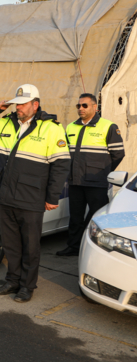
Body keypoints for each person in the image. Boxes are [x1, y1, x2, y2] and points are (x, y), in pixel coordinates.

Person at [0, 84, 70, 303]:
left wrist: (52, 197)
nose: (17, 107)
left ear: (35, 105)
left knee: (30, 246)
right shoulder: (5, 123)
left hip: (32, 197)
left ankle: (27, 286)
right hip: (6, 195)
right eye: (16, 103)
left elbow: (61, 165)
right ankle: (12, 281)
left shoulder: (52, 128)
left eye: (22, 104)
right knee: (11, 244)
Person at [56, 93, 124, 257]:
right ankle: (73, 247)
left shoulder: (108, 126)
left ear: (95, 107)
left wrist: (104, 173)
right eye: (78, 106)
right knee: (75, 217)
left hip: (97, 182)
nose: (80, 109)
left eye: (84, 105)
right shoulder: (71, 126)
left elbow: (118, 154)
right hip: (75, 181)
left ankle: (94, 248)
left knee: (97, 216)